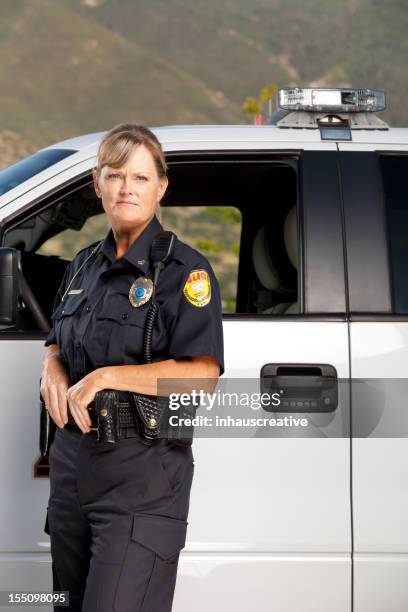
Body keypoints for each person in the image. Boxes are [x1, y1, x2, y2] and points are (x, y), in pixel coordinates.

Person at [40, 123, 224, 612]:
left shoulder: (185, 273)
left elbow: (202, 376)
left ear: (161, 188)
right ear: (97, 184)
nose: (127, 188)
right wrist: (51, 365)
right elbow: (60, 340)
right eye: (116, 175)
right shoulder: (80, 267)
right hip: (74, 472)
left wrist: (104, 378)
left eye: (140, 178)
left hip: (141, 477)